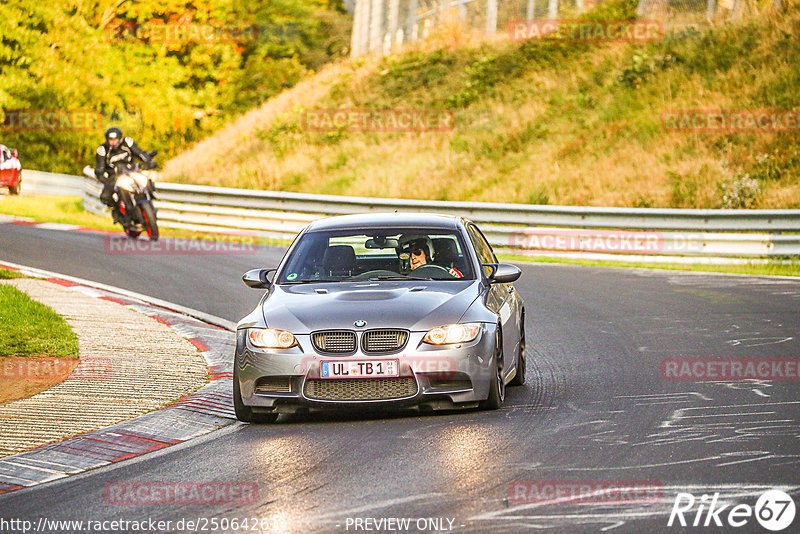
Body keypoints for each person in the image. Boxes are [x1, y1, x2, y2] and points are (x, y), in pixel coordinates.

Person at [94, 127, 155, 222]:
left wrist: (148, 161)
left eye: (115, 140)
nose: (113, 142)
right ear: (107, 140)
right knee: (105, 197)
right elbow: (99, 168)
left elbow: (140, 153)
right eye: (111, 140)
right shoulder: (103, 150)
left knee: (146, 180)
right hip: (114, 177)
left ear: (120, 138)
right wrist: (101, 177)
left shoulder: (127, 143)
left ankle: (151, 197)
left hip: (132, 172)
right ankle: (117, 210)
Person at [397, 235, 463, 277]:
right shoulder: (396, 278)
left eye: (417, 252)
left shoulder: (447, 272)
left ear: (428, 252)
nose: (413, 257)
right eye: (408, 254)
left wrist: (454, 277)